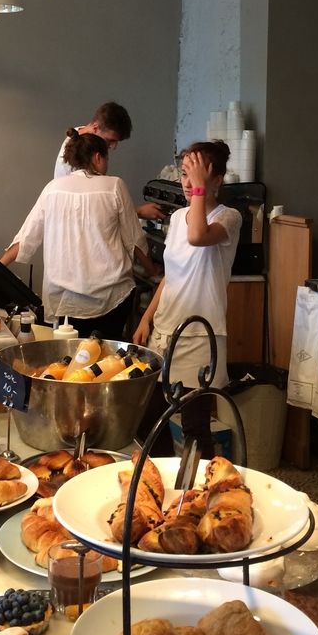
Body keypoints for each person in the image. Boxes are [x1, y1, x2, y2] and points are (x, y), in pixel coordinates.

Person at [132, 140, 242, 458]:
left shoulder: (229, 217)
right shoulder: (179, 217)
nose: (187, 182)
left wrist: (198, 189)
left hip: (200, 335)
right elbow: (171, 275)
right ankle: (166, 477)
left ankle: (202, 484)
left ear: (217, 179)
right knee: (147, 421)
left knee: (195, 427)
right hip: (165, 330)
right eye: (184, 174)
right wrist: (146, 318)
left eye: (195, 174)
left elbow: (198, 236)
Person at [1, 131, 157, 337]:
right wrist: (151, 270)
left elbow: (26, 238)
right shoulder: (114, 185)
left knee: (68, 353)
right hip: (111, 297)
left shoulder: (52, 188)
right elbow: (134, 240)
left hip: (65, 301)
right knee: (106, 354)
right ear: (98, 157)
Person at [53, 101, 164, 221]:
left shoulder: (79, 136)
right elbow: (93, 208)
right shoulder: (74, 159)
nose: (114, 146)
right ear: (95, 128)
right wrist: (138, 212)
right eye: (110, 140)